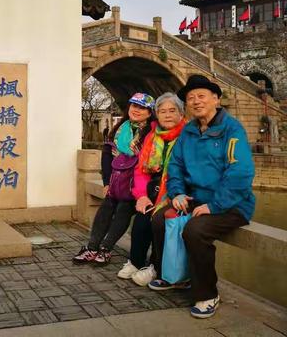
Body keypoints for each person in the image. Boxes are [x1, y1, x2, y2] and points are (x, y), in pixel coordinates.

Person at [148, 74, 255, 319]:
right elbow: (175, 165)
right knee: (159, 219)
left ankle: (207, 294)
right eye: (190, 98)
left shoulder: (232, 128)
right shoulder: (189, 131)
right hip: (195, 197)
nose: (196, 101)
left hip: (232, 203)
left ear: (216, 99)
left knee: (195, 230)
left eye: (201, 96)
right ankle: (176, 276)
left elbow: (240, 173)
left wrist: (214, 205)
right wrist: (176, 193)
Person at [73, 92, 155, 265]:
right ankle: (92, 247)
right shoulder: (120, 128)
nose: (137, 110)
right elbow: (107, 155)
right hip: (117, 180)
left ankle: (106, 249)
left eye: (142, 108)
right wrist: (106, 182)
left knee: (124, 208)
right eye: (134, 106)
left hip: (137, 184)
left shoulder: (152, 131)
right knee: (106, 206)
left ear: (150, 112)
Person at [117, 92, 186, 285]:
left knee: (158, 220)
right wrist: (140, 195)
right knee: (141, 217)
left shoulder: (187, 135)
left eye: (172, 110)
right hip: (152, 188)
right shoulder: (152, 136)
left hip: (175, 190)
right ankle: (136, 261)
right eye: (162, 111)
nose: (167, 115)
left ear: (181, 114)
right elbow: (141, 170)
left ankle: (156, 266)